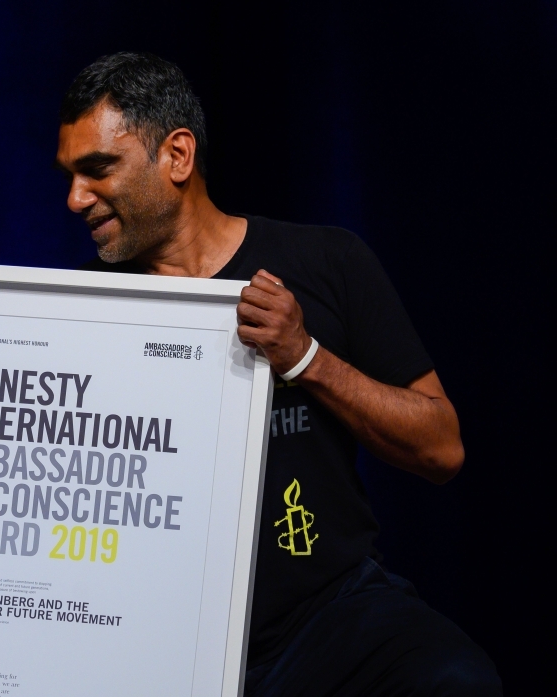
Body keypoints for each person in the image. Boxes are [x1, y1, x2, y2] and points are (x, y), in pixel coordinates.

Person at [55, 53, 502, 695]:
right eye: (68, 177)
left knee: (455, 681)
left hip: (332, 616)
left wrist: (306, 357)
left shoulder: (325, 261)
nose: (75, 199)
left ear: (177, 156)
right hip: (162, 640)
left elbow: (441, 448)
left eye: (98, 170)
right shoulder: (80, 312)